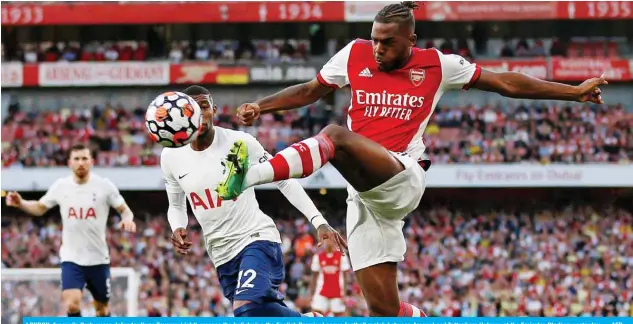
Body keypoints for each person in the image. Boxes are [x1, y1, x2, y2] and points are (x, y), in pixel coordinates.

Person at [217, 1, 607, 317]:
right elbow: (310, 90)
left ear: (411, 40)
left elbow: (506, 82)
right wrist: (260, 105)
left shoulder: (438, 65)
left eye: (387, 42)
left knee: (335, 136)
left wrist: (573, 92)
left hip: (402, 177)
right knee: (384, 310)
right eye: (374, 40)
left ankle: (248, 175)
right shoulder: (353, 55)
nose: (378, 49)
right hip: (366, 198)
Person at [161, 85, 346, 317]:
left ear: (214, 110)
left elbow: (284, 180)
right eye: (192, 108)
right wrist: (178, 226)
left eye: (204, 106)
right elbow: (176, 204)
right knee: (258, 313)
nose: (199, 113)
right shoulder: (170, 156)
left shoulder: (240, 143)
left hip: (257, 239)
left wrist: (318, 220)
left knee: (246, 309)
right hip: (221, 253)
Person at [5, 144, 137, 317]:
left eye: (84, 158)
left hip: (98, 259)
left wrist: (127, 219)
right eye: (76, 159)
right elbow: (40, 207)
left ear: (91, 161)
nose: (80, 162)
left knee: (102, 310)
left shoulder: (104, 186)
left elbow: (125, 210)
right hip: (71, 259)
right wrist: (21, 203)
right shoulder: (62, 186)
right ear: (69, 162)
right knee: (72, 305)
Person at [309, 238, 351, 317]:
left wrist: (345, 294)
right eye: (327, 239)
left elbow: (346, 277)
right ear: (323, 242)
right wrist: (311, 293)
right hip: (321, 290)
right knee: (315, 314)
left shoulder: (342, 256)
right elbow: (314, 277)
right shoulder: (318, 256)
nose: (329, 242)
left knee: (340, 315)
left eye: (331, 240)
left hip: (338, 291)